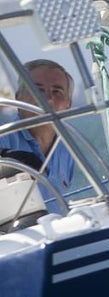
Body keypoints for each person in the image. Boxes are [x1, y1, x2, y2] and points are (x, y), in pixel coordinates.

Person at [0, 60, 77, 213]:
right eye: (38, 90)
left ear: (68, 104)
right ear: (18, 97)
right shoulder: (3, 137)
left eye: (57, 91)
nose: (47, 99)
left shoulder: (67, 148)